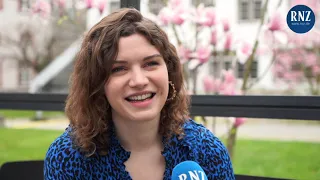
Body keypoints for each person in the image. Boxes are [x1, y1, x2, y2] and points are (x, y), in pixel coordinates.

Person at [44, 8, 235, 180]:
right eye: (118, 69)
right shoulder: (69, 156)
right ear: (98, 83)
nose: (139, 81)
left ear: (169, 71)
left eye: (151, 64)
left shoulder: (206, 151)